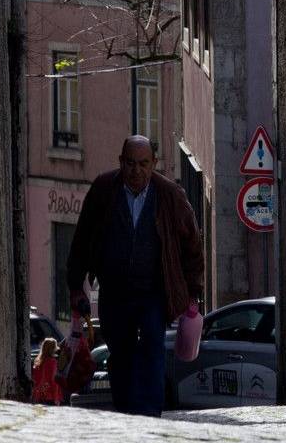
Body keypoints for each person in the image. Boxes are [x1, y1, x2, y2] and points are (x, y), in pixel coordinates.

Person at [67, 135, 204, 417]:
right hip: (114, 290)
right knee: (121, 353)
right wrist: (75, 286)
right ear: (121, 162)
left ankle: (151, 415)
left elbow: (192, 243)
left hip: (153, 291)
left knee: (153, 348)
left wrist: (193, 291)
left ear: (154, 164)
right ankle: (125, 411)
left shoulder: (169, 195)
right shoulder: (105, 189)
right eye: (130, 163)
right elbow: (82, 239)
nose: (136, 171)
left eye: (143, 164)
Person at [31, 337, 63, 405]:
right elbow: (53, 380)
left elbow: (35, 379)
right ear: (53, 349)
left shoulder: (38, 362)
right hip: (50, 395)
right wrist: (56, 397)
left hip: (39, 394)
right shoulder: (52, 362)